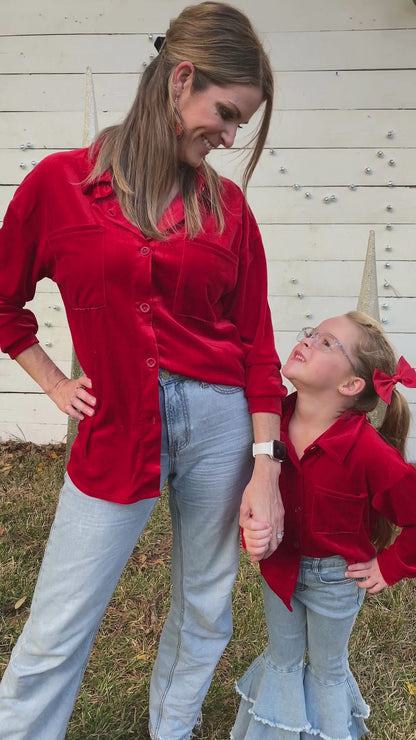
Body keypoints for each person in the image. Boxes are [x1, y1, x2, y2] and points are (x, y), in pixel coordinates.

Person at [0, 3, 288, 738]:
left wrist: (265, 465)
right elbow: (4, 301)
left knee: (205, 605)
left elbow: (256, 344)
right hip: (118, 425)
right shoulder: (60, 186)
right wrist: (53, 382)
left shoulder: (229, 211)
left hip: (224, 426)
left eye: (238, 126)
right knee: (61, 618)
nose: (227, 137)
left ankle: (174, 726)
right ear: (180, 78)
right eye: (224, 114)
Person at [231, 311, 416, 740]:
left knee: (328, 669)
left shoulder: (368, 452)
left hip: (336, 579)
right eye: (311, 332)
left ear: (351, 386)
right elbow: (255, 495)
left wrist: (390, 567)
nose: (309, 340)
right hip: (279, 569)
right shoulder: (268, 421)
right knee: (283, 658)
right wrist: (253, 531)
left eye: (328, 343)